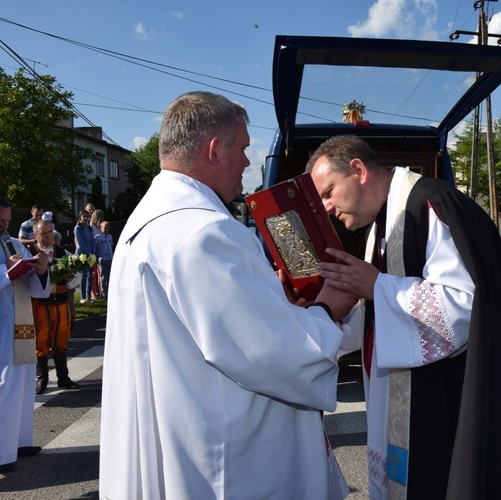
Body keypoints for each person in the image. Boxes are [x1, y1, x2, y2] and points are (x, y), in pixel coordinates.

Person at [99, 91, 357, 499]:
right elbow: (273, 353)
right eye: (242, 149)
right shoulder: (203, 232)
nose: (247, 163)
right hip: (226, 460)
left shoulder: (149, 220)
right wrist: (328, 308)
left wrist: (276, 302)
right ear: (215, 150)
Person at [307, 135, 501, 499]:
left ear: (358, 170)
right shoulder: (383, 223)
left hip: (452, 396)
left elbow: (463, 309)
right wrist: (325, 321)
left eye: (329, 192)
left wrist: (377, 286)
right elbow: (381, 314)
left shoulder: (431, 205)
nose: (326, 207)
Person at [1, 197, 50, 473]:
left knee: (23, 380)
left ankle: (19, 441)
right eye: (1, 221)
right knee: (5, 384)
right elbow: (9, 274)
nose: (5, 226)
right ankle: (2, 452)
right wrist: (9, 271)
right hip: (1, 325)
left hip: (20, 323)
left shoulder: (14, 243)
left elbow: (36, 287)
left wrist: (40, 270)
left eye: (8, 220)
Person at [25, 220, 81, 395]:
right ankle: (42, 379)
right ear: (36, 236)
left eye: (50, 232)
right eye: (44, 233)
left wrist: (70, 277)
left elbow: (76, 276)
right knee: (41, 340)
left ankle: (63, 377)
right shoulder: (30, 253)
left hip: (61, 302)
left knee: (61, 338)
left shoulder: (61, 252)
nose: (48, 236)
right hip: (40, 305)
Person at [73, 210, 94, 303]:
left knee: (90, 275)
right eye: (84, 216)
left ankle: (88, 297)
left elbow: (92, 241)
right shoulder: (78, 228)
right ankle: (83, 297)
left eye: (87, 216)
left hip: (90, 254)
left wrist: (93, 253)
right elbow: (80, 243)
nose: (85, 218)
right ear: (80, 217)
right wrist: (88, 253)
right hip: (82, 254)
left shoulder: (89, 228)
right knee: (83, 275)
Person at [94, 220, 113, 298]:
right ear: (101, 228)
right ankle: (103, 293)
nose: (106, 229)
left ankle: (109, 292)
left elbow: (111, 246)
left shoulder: (110, 237)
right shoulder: (97, 237)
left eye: (108, 228)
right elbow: (94, 247)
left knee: (110, 276)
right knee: (103, 277)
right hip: (103, 259)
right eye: (105, 228)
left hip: (110, 258)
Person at [89, 209, 104, 299]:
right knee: (93, 273)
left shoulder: (100, 227)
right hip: (93, 252)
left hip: (100, 251)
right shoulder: (91, 227)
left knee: (100, 273)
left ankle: (101, 291)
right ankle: (92, 292)